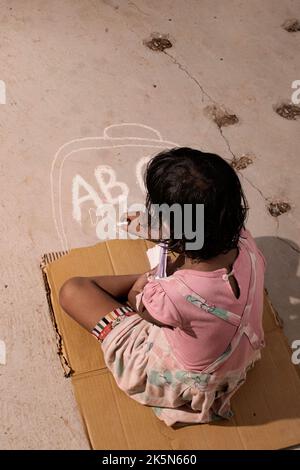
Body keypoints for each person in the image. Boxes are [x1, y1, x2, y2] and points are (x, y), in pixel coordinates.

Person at [59, 148, 266, 425]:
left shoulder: (174, 294)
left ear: (176, 227)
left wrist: (145, 285)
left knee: (73, 290)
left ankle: (140, 280)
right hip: (237, 360)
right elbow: (203, 226)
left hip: (185, 381)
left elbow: (138, 302)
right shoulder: (246, 243)